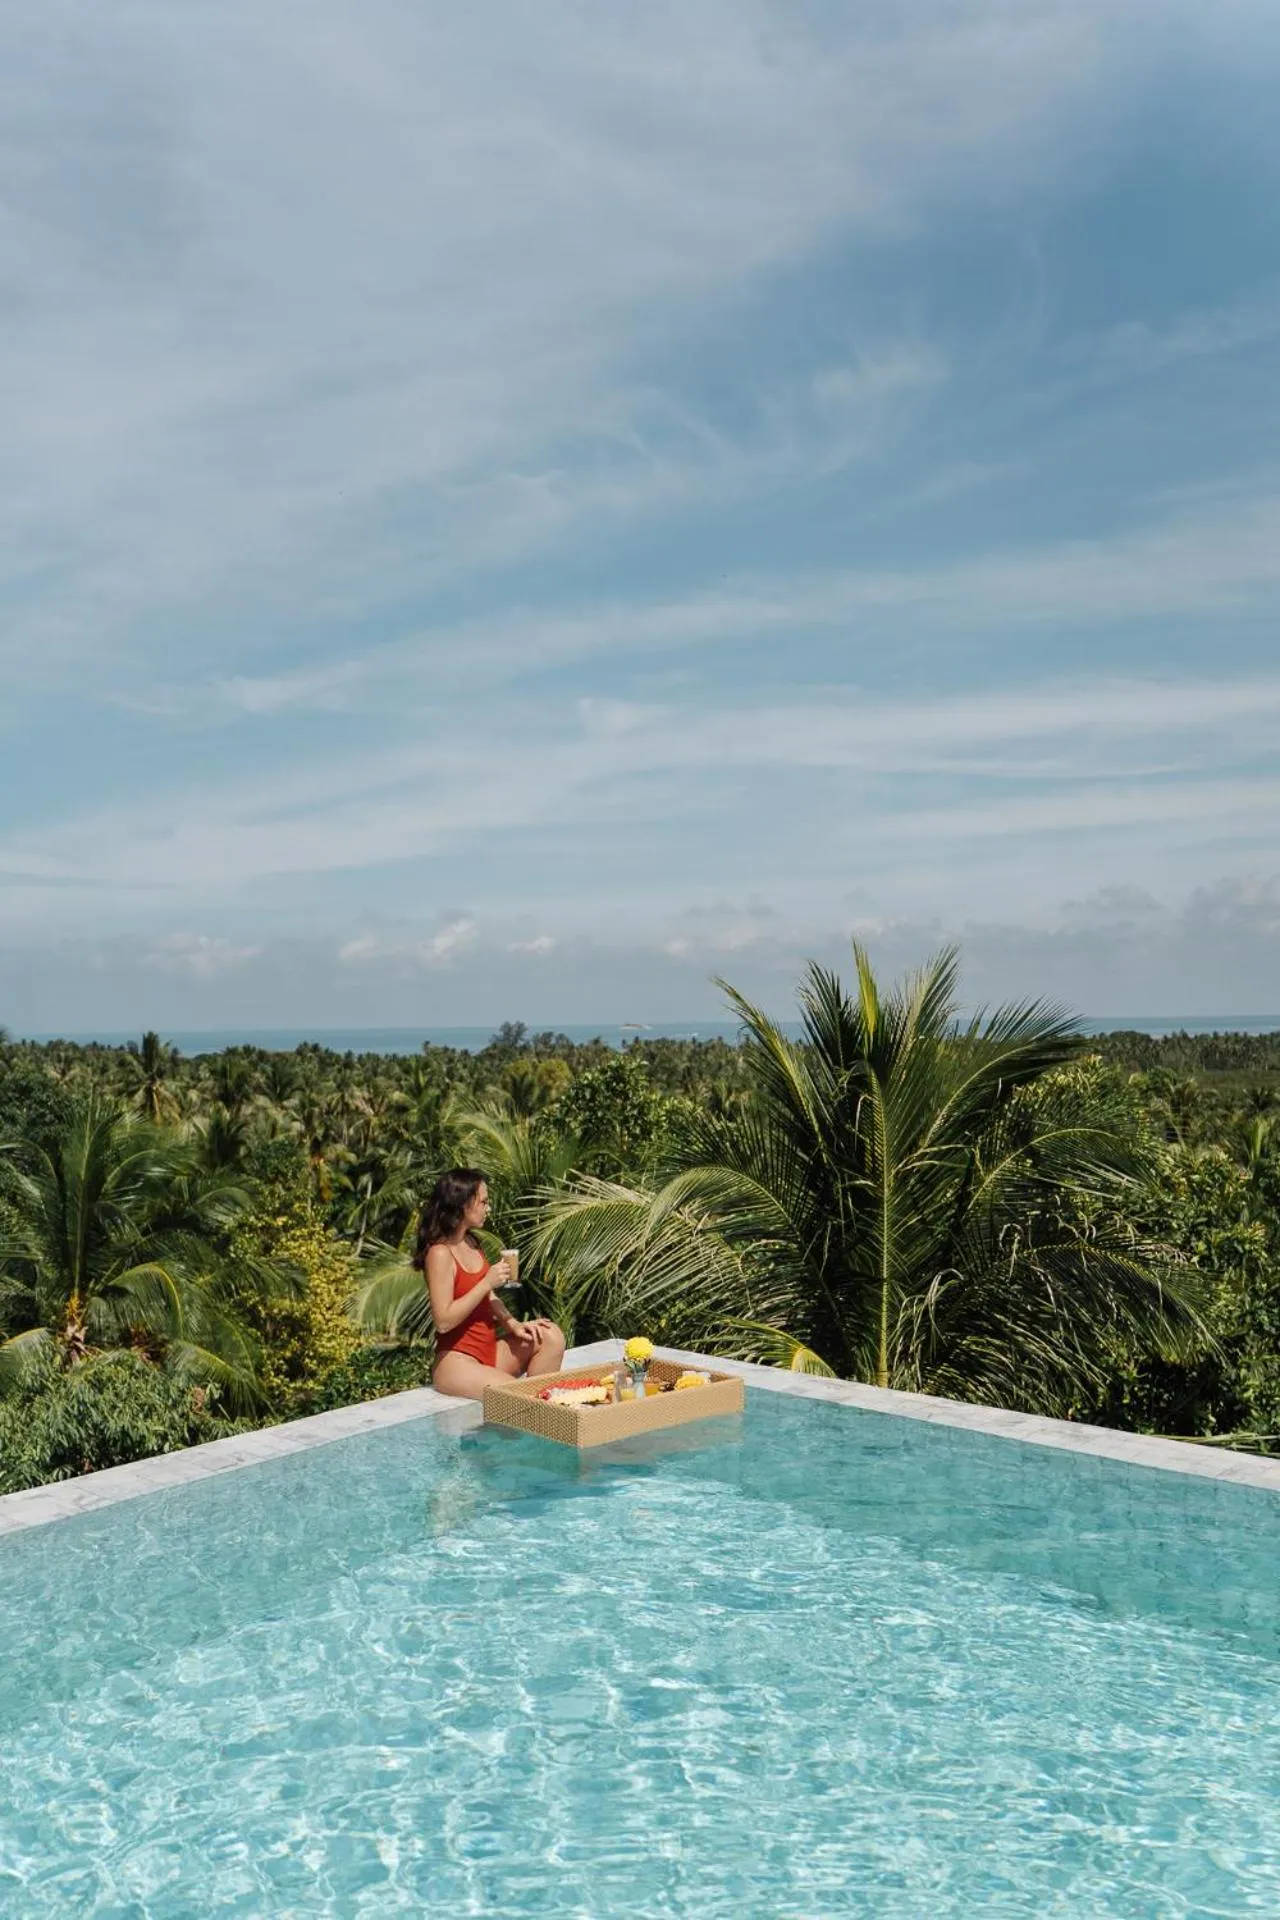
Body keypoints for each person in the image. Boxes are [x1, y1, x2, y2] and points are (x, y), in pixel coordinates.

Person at [419, 1167, 566, 1399]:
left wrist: (513, 1324)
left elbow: (489, 1297)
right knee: (522, 1397)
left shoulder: (470, 1242)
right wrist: (486, 1283)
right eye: (484, 1202)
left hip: (488, 1352)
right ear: (463, 1203)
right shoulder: (439, 1253)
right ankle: (537, 1414)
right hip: (457, 1362)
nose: (489, 1208)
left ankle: (536, 1421)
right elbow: (443, 1321)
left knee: (551, 1335)